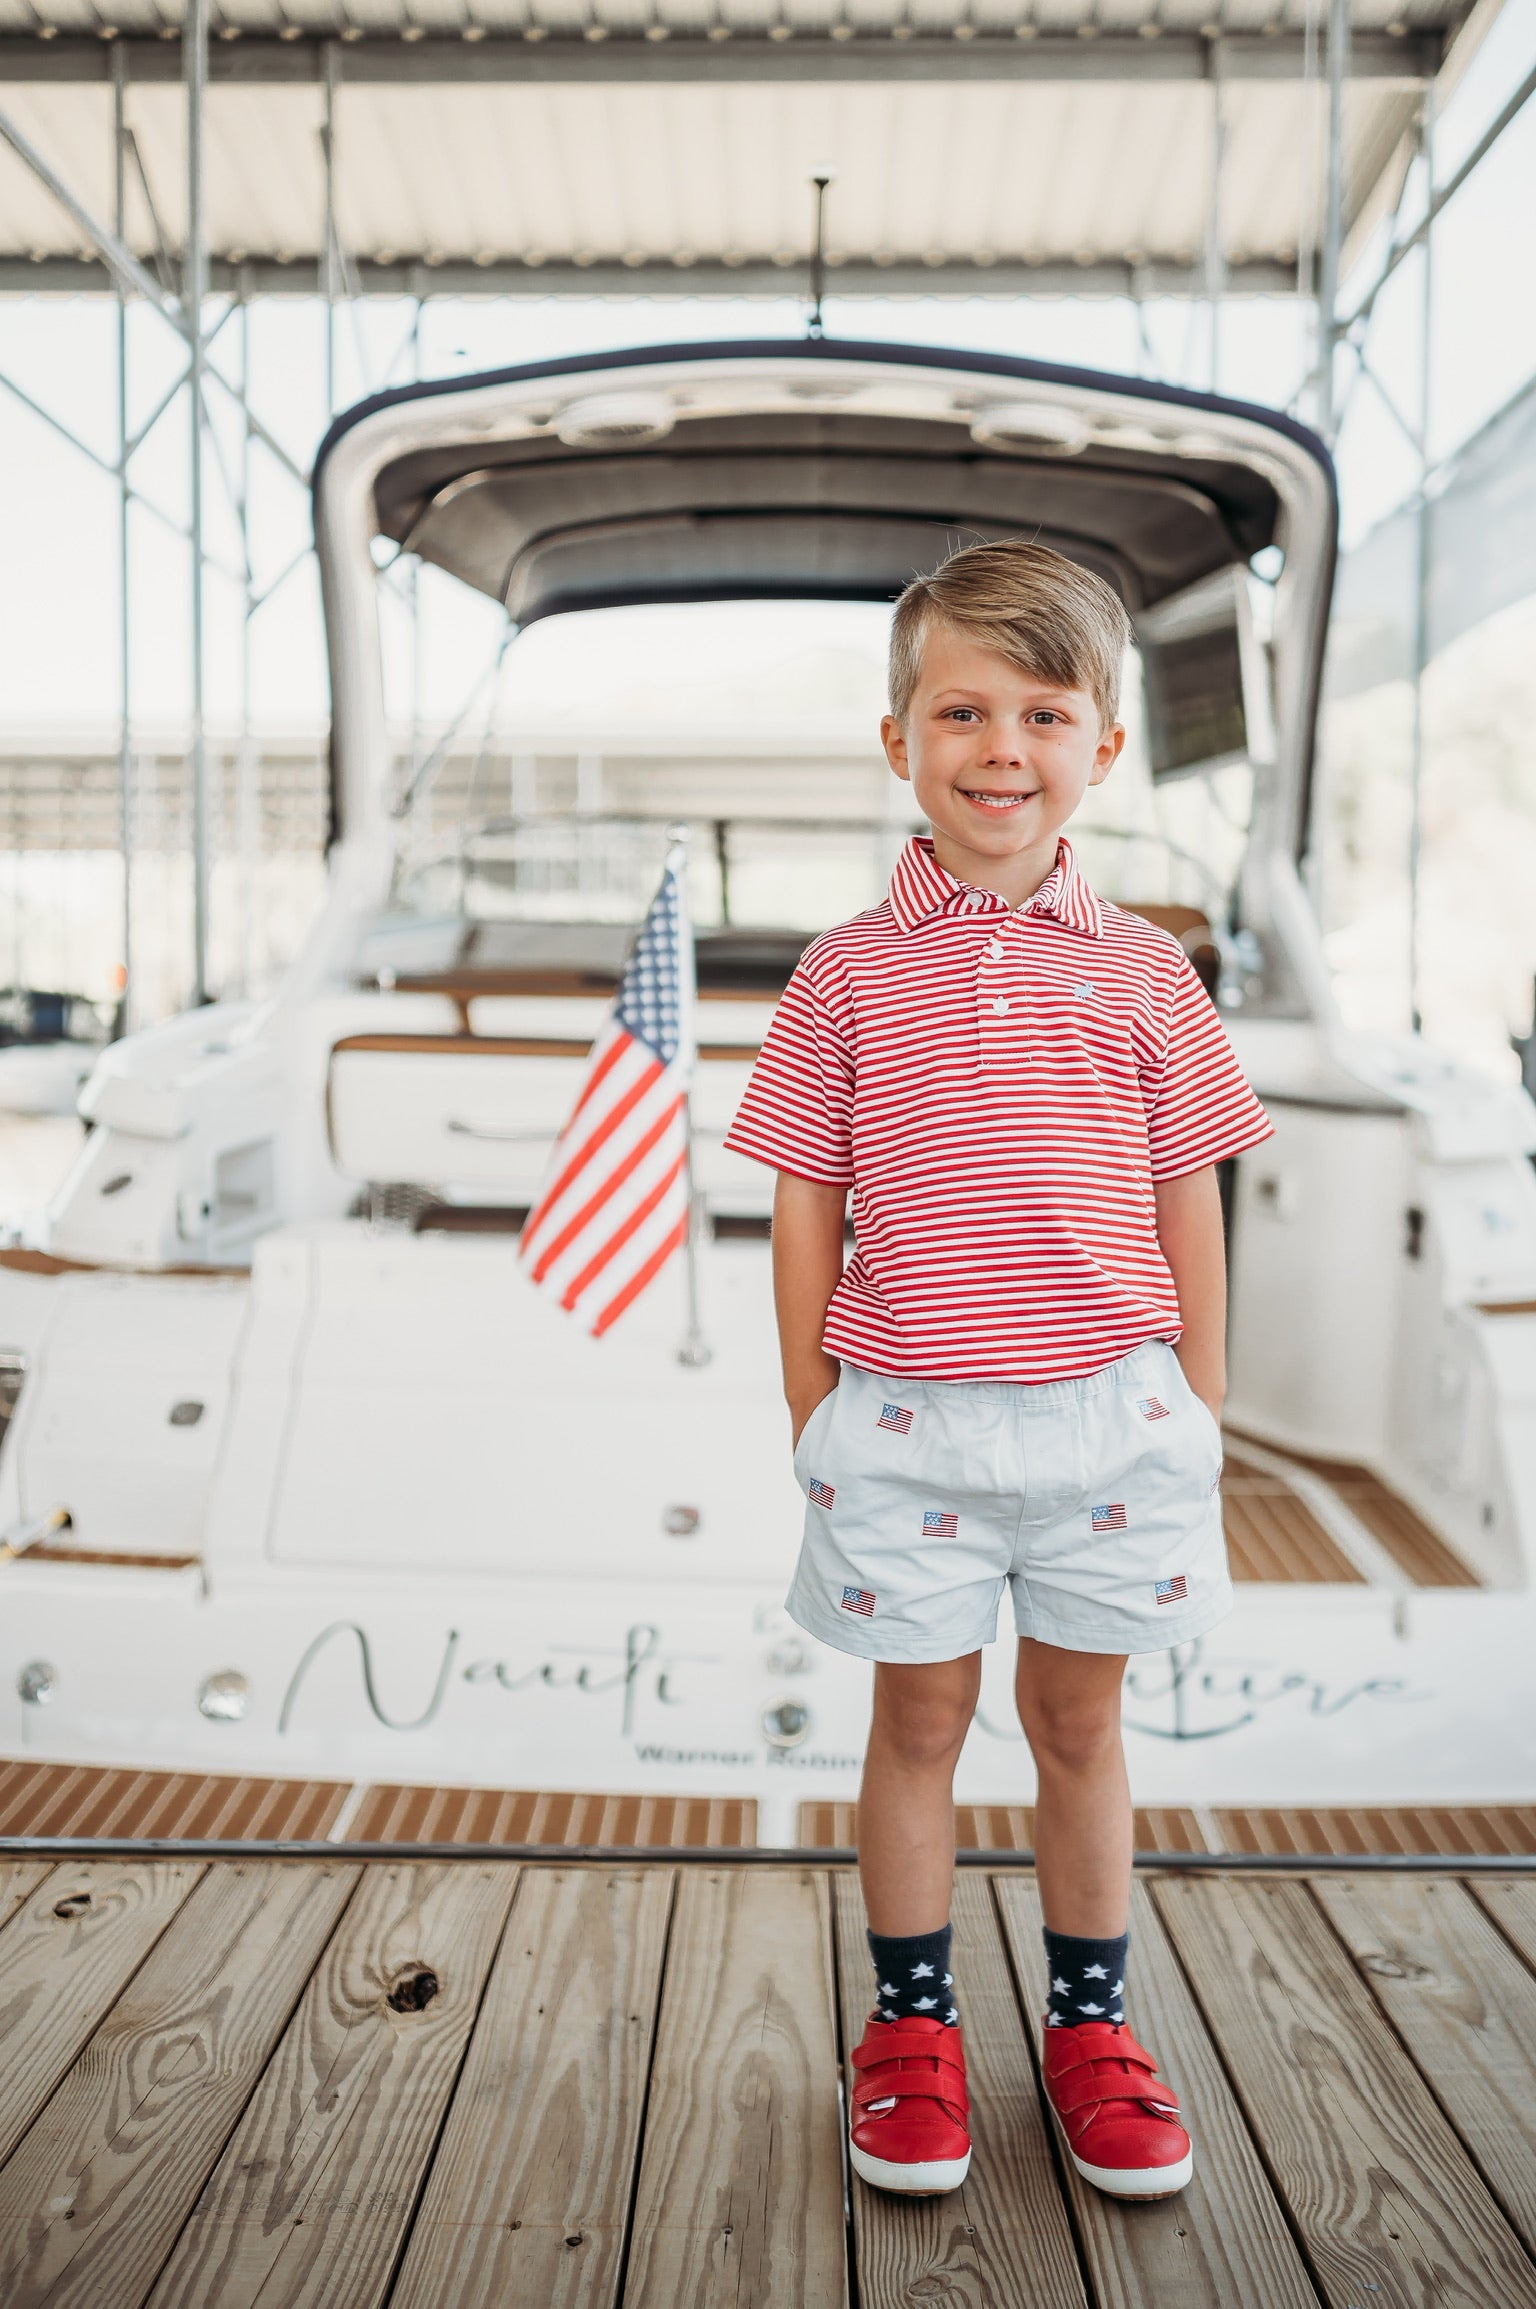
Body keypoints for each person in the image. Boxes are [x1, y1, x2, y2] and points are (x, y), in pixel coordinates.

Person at [723, 538, 1272, 2201]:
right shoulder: (841, 973)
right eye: (962, 710)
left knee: (1079, 1721)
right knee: (922, 1717)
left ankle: (1090, 2027)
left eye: (1044, 712)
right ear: (901, 740)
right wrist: (815, 1414)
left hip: (1117, 1412)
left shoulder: (1149, 974)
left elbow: (1191, 1194)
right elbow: (805, 1204)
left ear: (1103, 745)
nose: (1001, 750)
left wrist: (1203, 1399)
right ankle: (911, 2026)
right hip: (904, 1420)